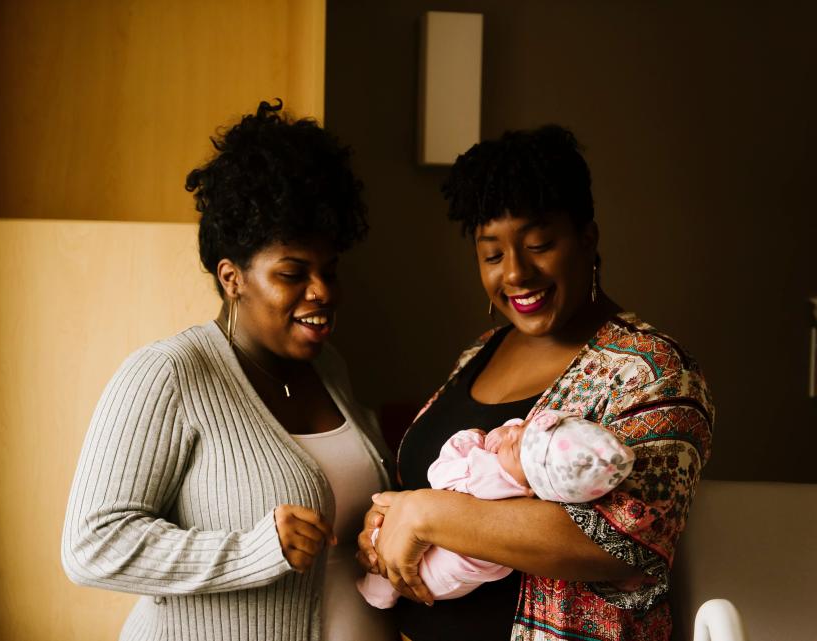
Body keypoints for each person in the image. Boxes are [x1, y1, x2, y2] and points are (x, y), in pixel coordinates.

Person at [357, 125, 714, 641]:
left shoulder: (653, 370)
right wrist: (384, 526)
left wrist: (430, 514)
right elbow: (425, 482)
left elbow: (624, 540)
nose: (517, 273)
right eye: (492, 254)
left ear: (587, 239)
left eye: (539, 244)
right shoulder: (478, 354)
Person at [62, 100, 397, 641]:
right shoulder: (169, 374)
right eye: (293, 273)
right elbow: (91, 545)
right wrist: (253, 550)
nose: (323, 292)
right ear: (231, 277)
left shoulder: (330, 368)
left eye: (329, 270)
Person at [357, 409, 635, 608]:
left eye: (516, 444)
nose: (513, 432)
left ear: (530, 486)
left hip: (435, 572)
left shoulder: (488, 473)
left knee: (386, 563)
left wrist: (470, 439)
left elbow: (439, 475)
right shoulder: (534, 475)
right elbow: (523, 435)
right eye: (523, 428)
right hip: (454, 577)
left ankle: (376, 593)